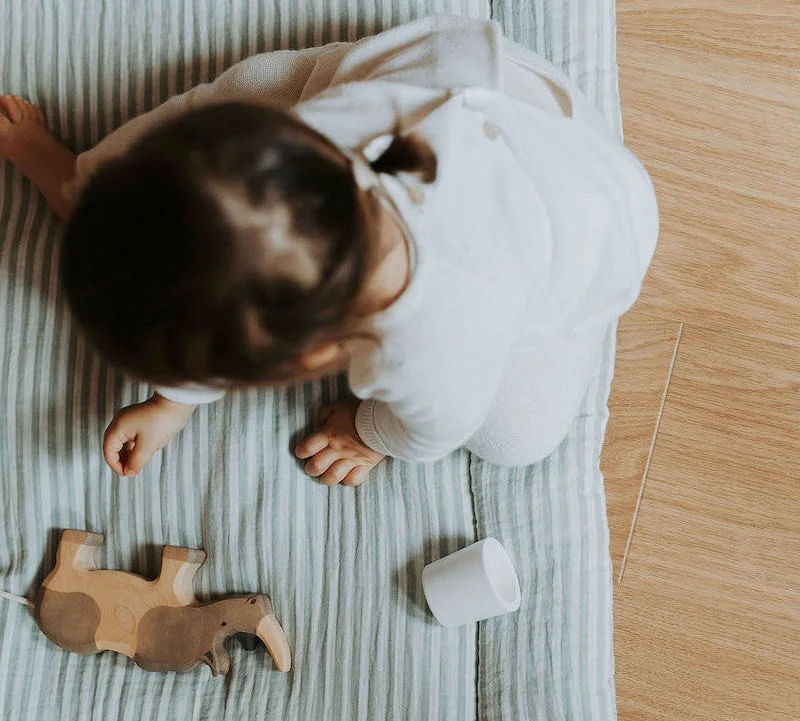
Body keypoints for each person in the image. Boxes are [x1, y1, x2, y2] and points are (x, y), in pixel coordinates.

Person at [0, 16, 658, 487]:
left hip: (588, 233)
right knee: (246, 116)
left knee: (520, 437)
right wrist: (174, 400)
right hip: (486, 92)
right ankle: (86, 181)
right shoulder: (307, 138)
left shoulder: (434, 355)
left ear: (315, 358)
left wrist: (368, 434)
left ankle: (89, 183)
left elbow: (430, 432)